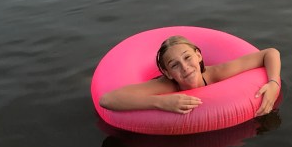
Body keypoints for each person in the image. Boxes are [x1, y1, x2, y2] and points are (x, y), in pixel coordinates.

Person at [99, 35, 282, 116]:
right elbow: (107, 100)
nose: (185, 68)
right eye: (174, 65)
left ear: (199, 55)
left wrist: (273, 83)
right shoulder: (165, 86)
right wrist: (160, 102)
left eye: (187, 58)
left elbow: (270, 53)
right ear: (167, 73)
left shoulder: (216, 73)